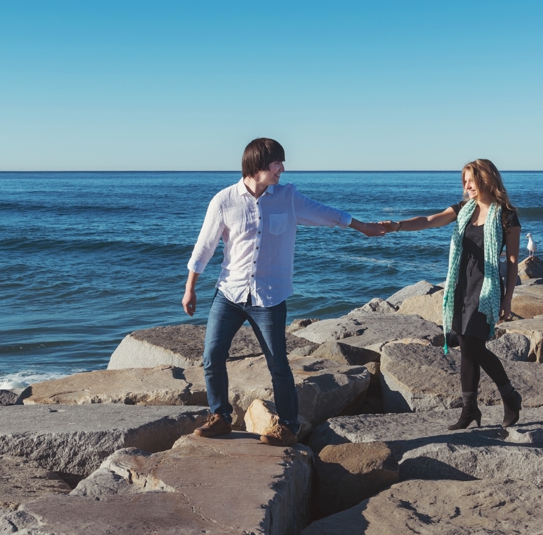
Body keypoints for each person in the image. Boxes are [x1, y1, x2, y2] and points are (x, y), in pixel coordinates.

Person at [183, 138, 385, 446]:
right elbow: (204, 247)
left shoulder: (287, 197)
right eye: (277, 163)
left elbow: (327, 214)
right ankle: (221, 417)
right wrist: (190, 289)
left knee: (278, 363)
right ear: (259, 166)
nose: (283, 168)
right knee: (211, 356)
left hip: (269, 296)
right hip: (230, 293)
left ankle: (289, 425)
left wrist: (363, 227)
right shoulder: (224, 201)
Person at [382, 159, 523, 429]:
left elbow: (514, 262)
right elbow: (429, 220)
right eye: (465, 181)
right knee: (467, 349)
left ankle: (509, 395)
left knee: (472, 345)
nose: (467, 185)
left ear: (486, 179)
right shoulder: (462, 210)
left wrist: (508, 300)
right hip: (459, 284)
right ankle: (469, 409)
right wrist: (396, 226)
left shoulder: (506, 215)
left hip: (487, 286)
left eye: (471, 179)